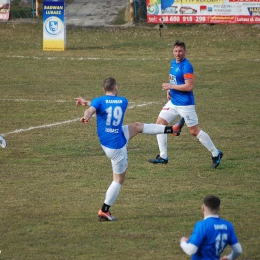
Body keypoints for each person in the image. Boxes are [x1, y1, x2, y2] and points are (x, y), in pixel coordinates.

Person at [74, 77, 184, 221]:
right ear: (116, 88)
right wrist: (89, 104)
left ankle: (172, 129)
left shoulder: (98, 101)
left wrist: (86, 116)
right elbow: (105, 105)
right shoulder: (123, 101)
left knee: (137, 126)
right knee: (118, 180)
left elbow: (91, 110)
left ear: (103, 90)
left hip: (108, 139)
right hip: (117, 146)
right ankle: (104, 210)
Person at [149, 40, 223, 169]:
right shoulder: (173, 62)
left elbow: (189, 86)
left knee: (194, 131)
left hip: (185, 104)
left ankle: (216, 153)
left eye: (180, 51)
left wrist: (171, 86)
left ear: (185, 52)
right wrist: (169, 90)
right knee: (159, 125)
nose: (178, 54)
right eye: (176, 51)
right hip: (173, 102)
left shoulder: (186, 66)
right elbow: (173, 78)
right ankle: (163, 156)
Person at [180, 195, 242, 260]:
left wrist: (182, 242)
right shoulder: (228, 225)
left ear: (203, 208)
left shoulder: (202, 225)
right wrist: (229, 258)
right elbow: (238, 250)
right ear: (219, 208)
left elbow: (190, 250)